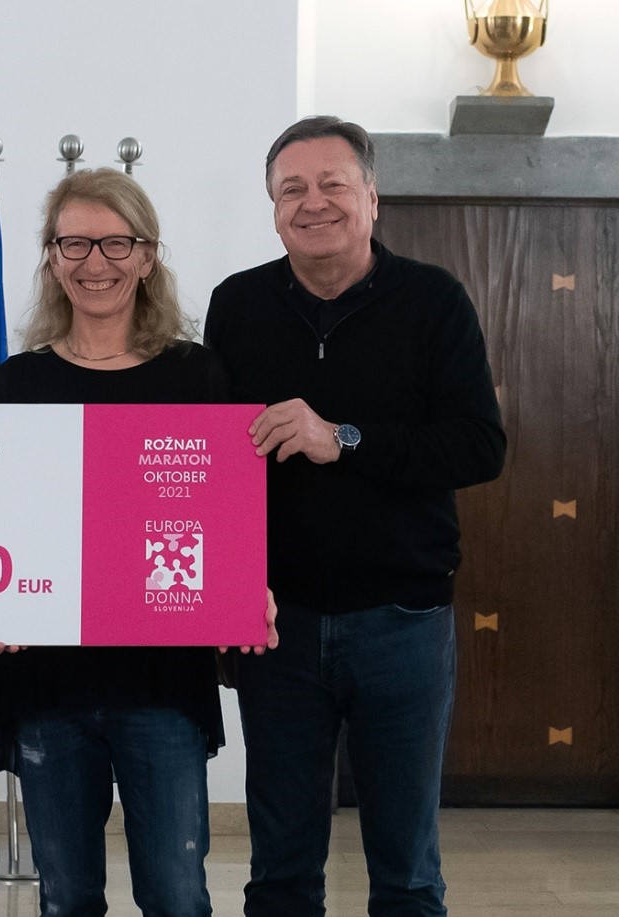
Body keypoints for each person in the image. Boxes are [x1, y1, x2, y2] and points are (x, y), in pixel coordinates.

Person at [204, 116, 506, 916]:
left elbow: (479, 446)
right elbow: (214, 466)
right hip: (276, 624)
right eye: (291, 189)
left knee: (405, 872)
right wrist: (223, 593)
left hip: (402, 618)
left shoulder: (433, 300)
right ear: (273, 209)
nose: (312, 203)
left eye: (332, 184)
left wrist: (341, 437)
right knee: (279, 871)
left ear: (371, 197)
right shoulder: (235, 304)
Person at [0, 167, 275, 917]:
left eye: (115, 242)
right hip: (46, 679)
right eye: (73, 243)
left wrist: (243, 584)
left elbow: (222, 513)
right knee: (67, 897)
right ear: (51, 258)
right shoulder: (14, 384)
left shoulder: (197, 375)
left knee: (176, 896)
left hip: (160, 679)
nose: (94, 262)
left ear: (146, 256)